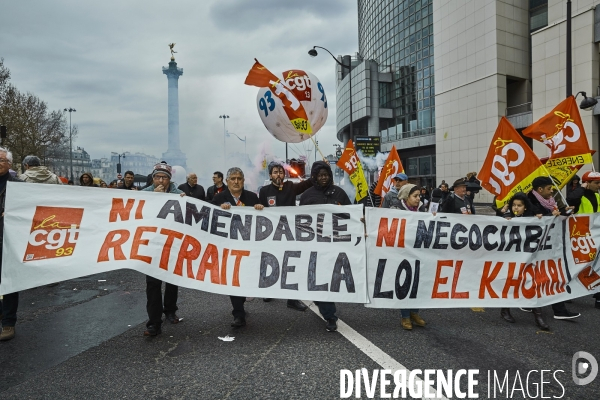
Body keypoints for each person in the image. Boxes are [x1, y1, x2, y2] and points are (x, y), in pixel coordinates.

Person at [299, 161, 351, 332]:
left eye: (326, 175)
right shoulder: (307, 195)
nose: (323, 178)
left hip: (334, 246)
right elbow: (300, 221)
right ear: (314, 176)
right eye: (320, 175)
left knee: (331, 279)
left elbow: (351, 215)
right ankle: (330, 316)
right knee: (318, 280)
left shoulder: (339, 193)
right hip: (314, 246)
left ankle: (328, 310)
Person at [212, 167, 263, 328]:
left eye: (239, 178)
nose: (236, 181)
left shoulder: (252, 197)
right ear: (227, 181)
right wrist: (220, 209)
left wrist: (260, 209)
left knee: (246, 278)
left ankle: (240, 302)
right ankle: (238, 314)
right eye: (232, 178)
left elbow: (265, 222)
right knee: (233, 279)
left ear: (243, 181)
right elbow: (209, 218)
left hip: (248, 246)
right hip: (229, 246)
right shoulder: (219, 198)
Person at [259, 162, 313, 311]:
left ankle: (292, 299)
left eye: (281, 172)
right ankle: (268, 291)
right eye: (275, 172)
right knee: (270, 262)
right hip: (271, 235)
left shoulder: (290, 187)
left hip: (289, 233)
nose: (278, 175)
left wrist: (320, 168)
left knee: (291, 263)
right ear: (270, 175)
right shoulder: (264, 191)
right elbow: (258, 210)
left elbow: (308, 183)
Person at [141, 162, 186, 336]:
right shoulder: (145, 194)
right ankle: (154, 323)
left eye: (164, 177)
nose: (161, 180)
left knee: (172, 279)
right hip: (151, 244)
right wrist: (154, 197)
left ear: (170, 180)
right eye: (158, 177)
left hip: (171, 243)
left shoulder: (179, 195)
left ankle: (170, 310)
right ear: (153, 179)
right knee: (152, 284)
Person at [525, 176, 579, 320]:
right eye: (549, 189)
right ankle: (527, 301)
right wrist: (549, 215)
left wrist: (563, 212)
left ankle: (559, 310)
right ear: (540, 189)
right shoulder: (528, 201)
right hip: (535, 247)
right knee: (535, 275)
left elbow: (553, 217)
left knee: (554, 274)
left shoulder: (551, 202)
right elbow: (530, 220)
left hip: (550, 245)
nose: (551, 191)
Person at [496, 192, 549, 330]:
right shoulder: (507, 217)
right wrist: (501, 214)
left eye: (519, 205)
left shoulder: (531, 218)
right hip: (511, 258)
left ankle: (538, 316)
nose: (516, 208)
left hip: (527, 258)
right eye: (514, 205)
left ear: (525, 207)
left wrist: (539, 218)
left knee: (533, 283)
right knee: (510, 282)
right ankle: (505, 310)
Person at [394, 184, 427, 330]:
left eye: (419, 196)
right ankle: (405, 316)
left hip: (419, 253)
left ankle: (415, 313)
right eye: (415, 196)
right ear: (406, 197)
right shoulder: (396, 210)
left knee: (418, 284)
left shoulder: (423, 209)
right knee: (405, 284)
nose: (418, 199)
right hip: (402, 253)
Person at [0, 147, 23, 341]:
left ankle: (8, 323)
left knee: (8, 282)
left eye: (1, 160)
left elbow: (27, 209)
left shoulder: (17, 185)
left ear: (9, 164)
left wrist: (12, 213)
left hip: (8, 239)